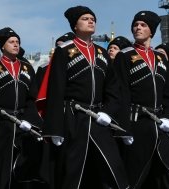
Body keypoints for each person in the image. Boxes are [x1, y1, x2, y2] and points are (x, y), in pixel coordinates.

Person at [42, 6, 129, 189]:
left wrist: (108, 112)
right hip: (74, 118)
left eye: (93, 19)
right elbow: (56, 91)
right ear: (75, 25)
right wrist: (55, 129)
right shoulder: (64, 51)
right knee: (74, 172)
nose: (91, 21)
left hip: (99, 119)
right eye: (85, 18)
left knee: (113, 169)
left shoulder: (102, 53)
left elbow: (113, 90)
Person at [113, 11, 169, 189]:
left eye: (143, 25)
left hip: (161, 125)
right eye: (136, 25)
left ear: (152, 31)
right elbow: (121, 92)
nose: (138, 28)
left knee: (165, 176)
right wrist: (124, 129)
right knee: (136, 175)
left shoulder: (160, 58)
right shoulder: (125, 56)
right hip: (137, 124)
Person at [0, 27, 42, 189]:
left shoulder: (27, 68)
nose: (16, 45)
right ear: (3, 46)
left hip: (21, 124)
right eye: (11, 42)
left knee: (19, 165)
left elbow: (32, 98)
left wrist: (30, 120)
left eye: (17, 42)